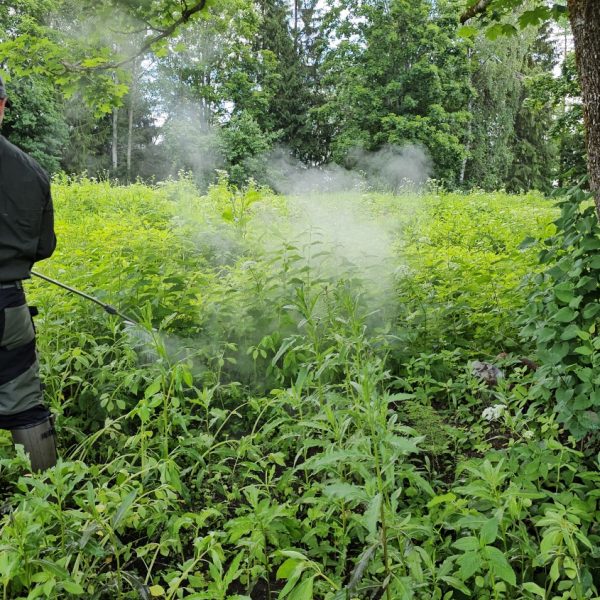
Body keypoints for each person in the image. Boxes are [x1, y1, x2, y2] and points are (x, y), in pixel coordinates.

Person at [0, 75, 58, 471]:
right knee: (24, 401)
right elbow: (44, 247)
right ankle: (50, 493)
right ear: (3, 107)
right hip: (9, 307)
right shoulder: (32, 170)